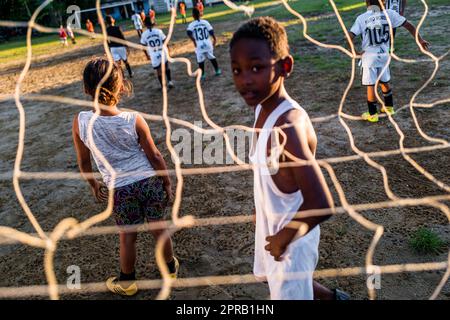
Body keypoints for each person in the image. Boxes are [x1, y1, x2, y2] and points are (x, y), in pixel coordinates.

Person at [229, 16, 347, 300]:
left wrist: (284, 238)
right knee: (278, 281)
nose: (245, 79)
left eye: (256, 68)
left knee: (288, 286)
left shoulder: (289, 126)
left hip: (293, 239)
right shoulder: (261, 109)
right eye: (237, 70)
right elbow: (268, 172)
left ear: (285, 67)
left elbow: (321, 203)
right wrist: (260, 207)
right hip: (272, 226)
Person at [72, 57, 179, 296]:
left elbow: (84, 162)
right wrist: (166, 181)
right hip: (148, 181)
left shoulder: (81, 122)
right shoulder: (134, 119)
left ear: (86, 89)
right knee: (159, 228)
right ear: (120, 87)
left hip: (120, 189)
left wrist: (93, 184)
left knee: (127, 238)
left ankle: (128, 282)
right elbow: (154, 155)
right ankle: (170, 271)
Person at [348, 0, 429, 122]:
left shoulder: (362, 18)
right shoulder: (390, 14)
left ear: (367, 3)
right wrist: (420, 40)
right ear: (383, 3)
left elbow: (349, 36)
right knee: (384, 81)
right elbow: (409, 26)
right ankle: (389, 108)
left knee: (371, 85)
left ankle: (372, 114)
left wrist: (355, 52)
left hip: (369, 57)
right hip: (385, 54)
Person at [187, 8, 221, 81]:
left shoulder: (192, 24)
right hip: (207, 43)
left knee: (200, 60)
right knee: (211, 57)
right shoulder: (205, 22)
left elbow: (189, 33)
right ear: (200, 14)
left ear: (192, 15)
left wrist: (194, 40)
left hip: (199, 44)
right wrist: (215, 39)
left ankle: (202, 75)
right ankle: (217, 70)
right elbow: (211, 31)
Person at [141, 19, 175, 89]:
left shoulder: (144, 34)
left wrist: (147, 55)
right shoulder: (159, 31)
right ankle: (170, 81)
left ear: (145, 25)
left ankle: (163, 86)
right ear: (153, 24)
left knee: (158, 70)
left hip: (153, 54)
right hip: (162, 51)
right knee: (166, 66)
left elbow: (143, 46)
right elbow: (165, 41)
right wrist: (168, 50)